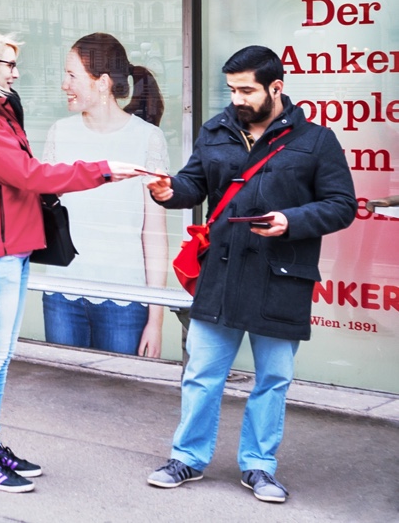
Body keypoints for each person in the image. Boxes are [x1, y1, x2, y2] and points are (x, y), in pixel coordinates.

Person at [145, 45, 355, 504]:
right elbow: (194, 184)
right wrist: (168, 191)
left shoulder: (316, 139)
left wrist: (292, 221)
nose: (236, 98)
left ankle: (260, 466)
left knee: (273, 379)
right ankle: (187, 458)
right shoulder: (216, 130)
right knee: (201, 373)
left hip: (282, 274)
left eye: (246, 90)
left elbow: (342, 205)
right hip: (221, 271)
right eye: (232, 89)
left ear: (276, 87)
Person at [0, 31, 143, 493]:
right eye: (6, 65)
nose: (15, 73)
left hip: (11, 248)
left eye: (15, 65)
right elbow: (28, 176)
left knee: (0, 358)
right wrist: (104, 169)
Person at [41, 33, 170, 356]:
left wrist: (156, 320)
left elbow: (153, 236)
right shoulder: (60, 133)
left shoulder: (147, 138)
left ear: (102, 83)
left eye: (72, 75)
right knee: (59, 393)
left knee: (120, 397)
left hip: (125, 300)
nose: (64, 84)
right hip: (61, 292)